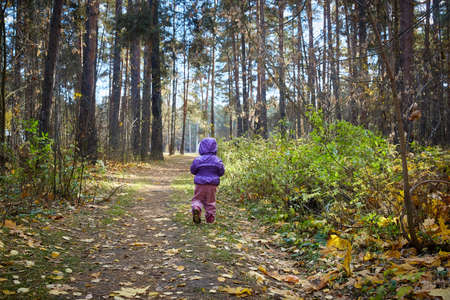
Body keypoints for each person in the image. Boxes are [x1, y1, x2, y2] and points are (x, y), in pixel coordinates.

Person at [190, 138, 225, 224]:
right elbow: (221, 171)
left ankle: (197, 208)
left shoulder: (198, 160)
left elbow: (193, 170)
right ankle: (210, 217)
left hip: (200, 184)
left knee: (198, 198)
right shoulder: (217, 160)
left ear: (201, 147)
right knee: (210, 201)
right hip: (212, 185)